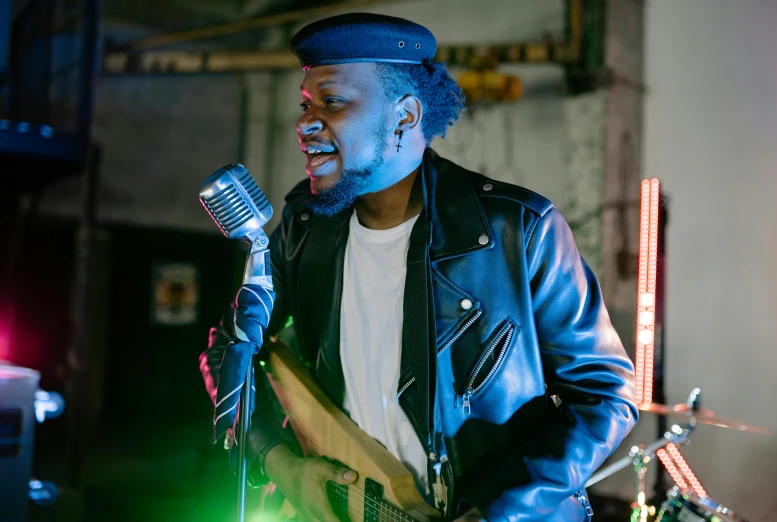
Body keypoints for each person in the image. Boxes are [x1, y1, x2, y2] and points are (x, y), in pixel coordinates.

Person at [201, 12, 638, 522]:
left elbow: (606, 397)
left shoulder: (518, 229)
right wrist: (282, 465)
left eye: (332, 101)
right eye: (305, 104)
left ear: (405, 116)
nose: (304, 122)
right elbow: (227, 351)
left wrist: (493, 511)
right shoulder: (305, 228)